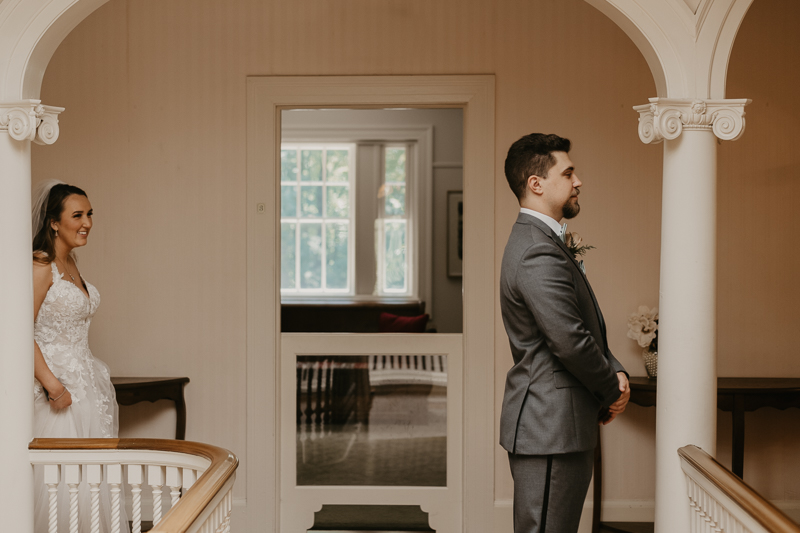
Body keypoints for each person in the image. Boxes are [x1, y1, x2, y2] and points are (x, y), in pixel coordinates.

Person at [499, 134, 630, 533]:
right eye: (568, 172)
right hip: (549, 426)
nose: (579, 181)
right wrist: (613, 388)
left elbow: (580, 324)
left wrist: (615, 368)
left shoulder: (543, 241)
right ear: (536, 184)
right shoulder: (536, 249)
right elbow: (568, 339)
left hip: (559, 424)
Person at [31, 180, 127, 533]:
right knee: (60, 486)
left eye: (89, 214)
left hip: (88, 387)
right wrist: (53, 386)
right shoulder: (41, 266)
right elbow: (16, 332)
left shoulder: (70, 261)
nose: (86, 222)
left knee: (90, 482)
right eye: (77, 215)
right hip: (56, 391)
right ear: (54, 222)